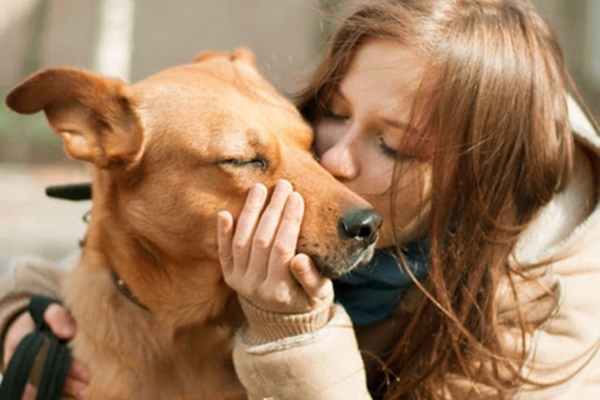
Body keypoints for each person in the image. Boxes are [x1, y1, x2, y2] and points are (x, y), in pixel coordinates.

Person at [2, 0, 600, 398]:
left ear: (480, 180)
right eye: (332, 116)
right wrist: (20, 316)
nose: (330, 166)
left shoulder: (546, 335)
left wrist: (293, 330)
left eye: (396, 146)